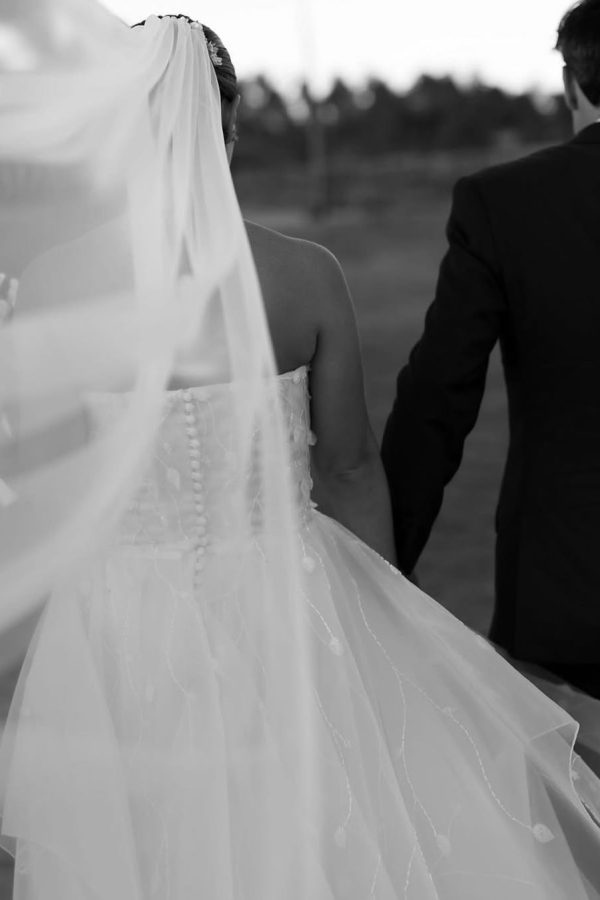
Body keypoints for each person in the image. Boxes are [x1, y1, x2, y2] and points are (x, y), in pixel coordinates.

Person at [0, 7, 600, 899]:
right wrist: (394, 629)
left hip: (117, 628)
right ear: (230, 128)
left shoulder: (53, 287)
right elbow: (352, 467)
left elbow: (44, 496)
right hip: (294, 604)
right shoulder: (305, 273)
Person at [382, 0, 600, 705]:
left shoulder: (504, 204)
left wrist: (386, 560)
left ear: (572, 83)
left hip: (569, 596)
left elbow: (439, 398)